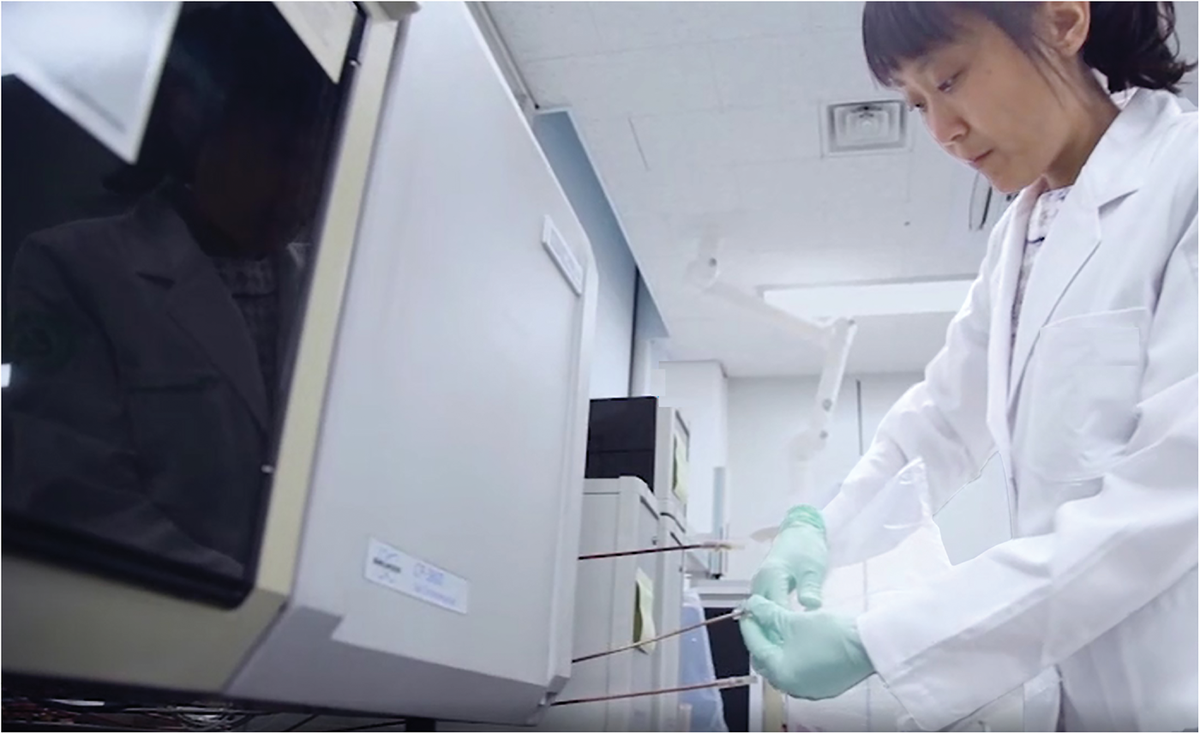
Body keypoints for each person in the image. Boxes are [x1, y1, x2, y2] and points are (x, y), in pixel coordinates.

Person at [738, 2, 1198, 731]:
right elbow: (942, 418)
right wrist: (819, 530)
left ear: (1062, 20)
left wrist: (884, 639)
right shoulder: (1021, 234)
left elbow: (1168, 504)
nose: (942, 132)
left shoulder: (1186, 178)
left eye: (949, 80)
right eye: (917, 103)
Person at [2, 4, 334, 581]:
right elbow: (75, 497)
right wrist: (238, 593)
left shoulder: (329, 297)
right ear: (196, 121)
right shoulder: (76, 267)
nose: (300, 186)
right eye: (282, 151)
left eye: (315, 158)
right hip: (151, 624)